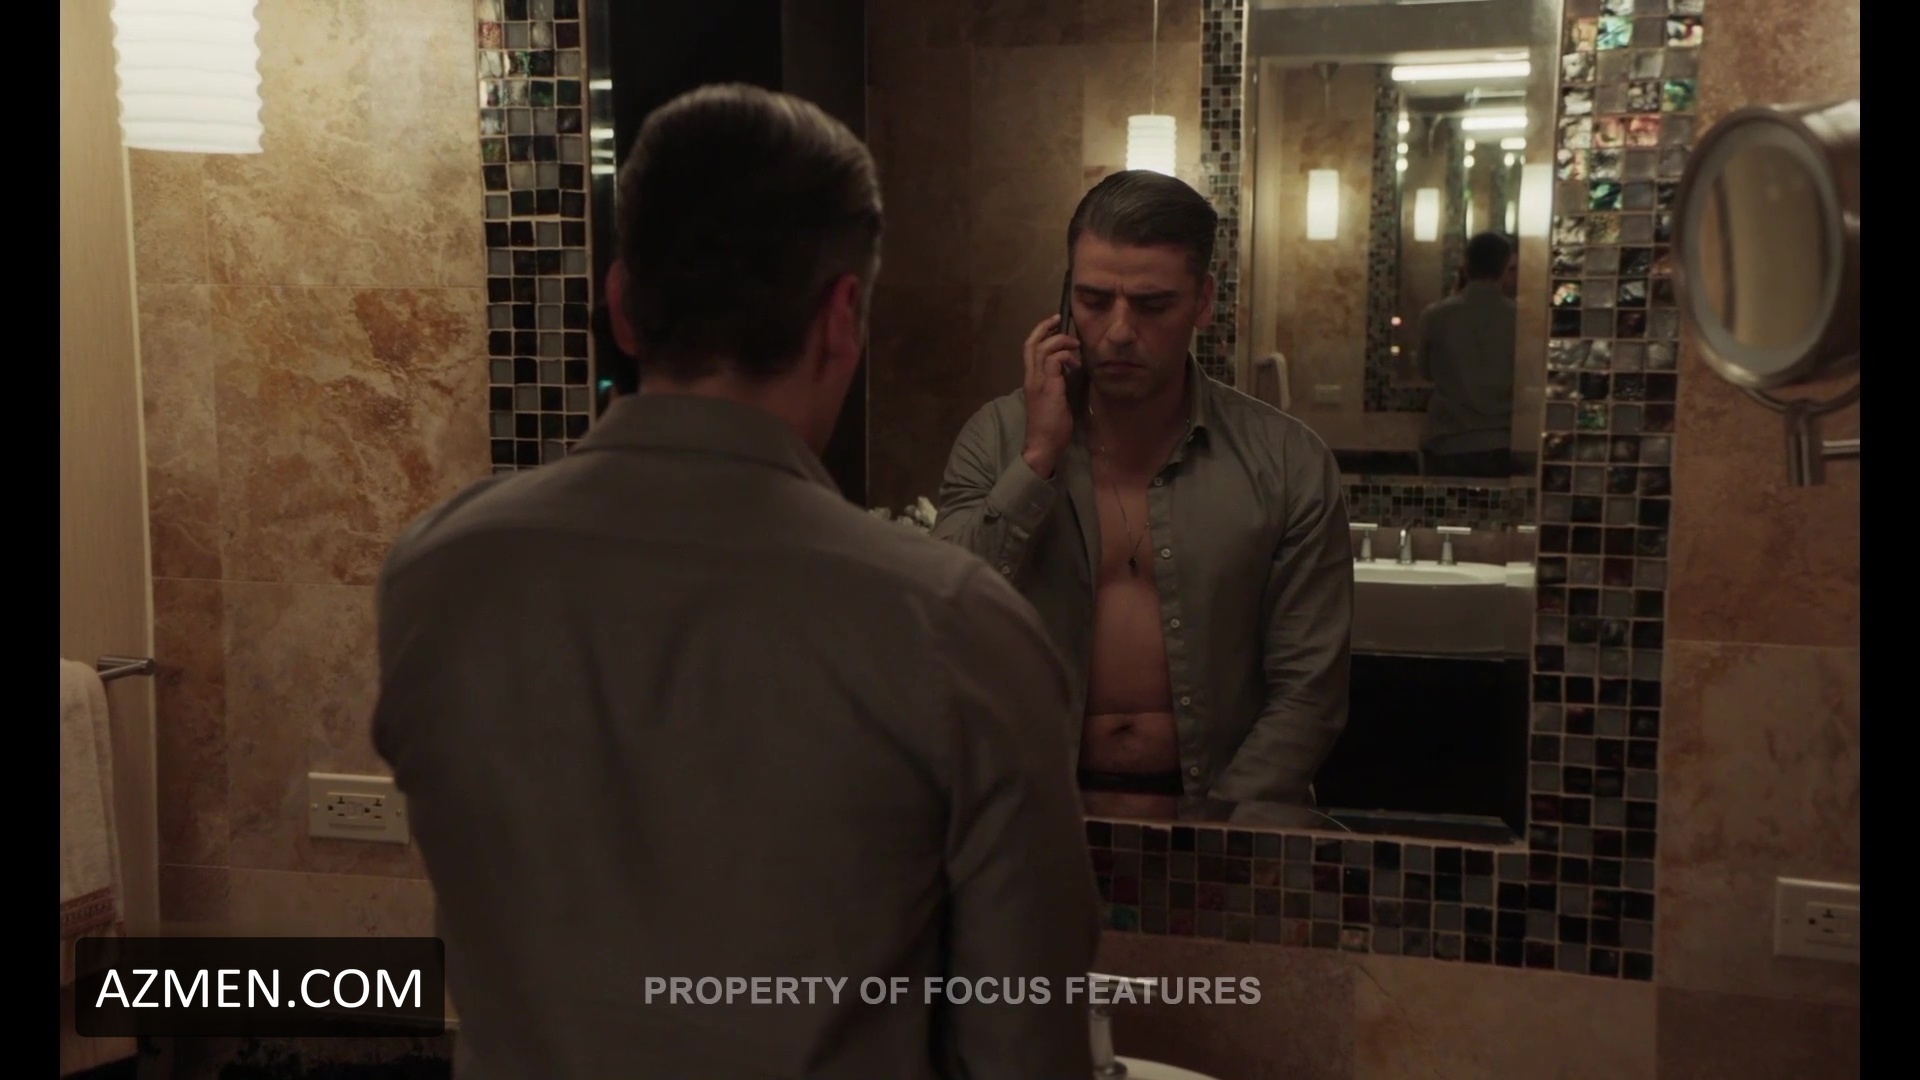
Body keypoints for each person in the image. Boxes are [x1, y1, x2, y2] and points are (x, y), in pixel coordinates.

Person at [371, 84, 1098, 1080]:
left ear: (622, 304)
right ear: (842, 317)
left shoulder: (436, 575)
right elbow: (1026, 1049)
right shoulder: (953, 628)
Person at [931, 170, 1353, 822]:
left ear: (1203, 301)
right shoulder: (997, 439)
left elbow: (1309, 691)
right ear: (1065, 299)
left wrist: (1221, 831)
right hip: (1035, 817)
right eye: (1094, 301)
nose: (1119, 331)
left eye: (1152, 305)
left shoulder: (1288, 462)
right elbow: (941, 621)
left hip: (1226, 822)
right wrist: (1037, 461)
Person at [1418, 232, 1519, 478]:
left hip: (1446, 441)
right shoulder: (1520, 319)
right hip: (1499, 441)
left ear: (1465, 265)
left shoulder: (1436, 315)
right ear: (1505, 267)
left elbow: (1425, 372)